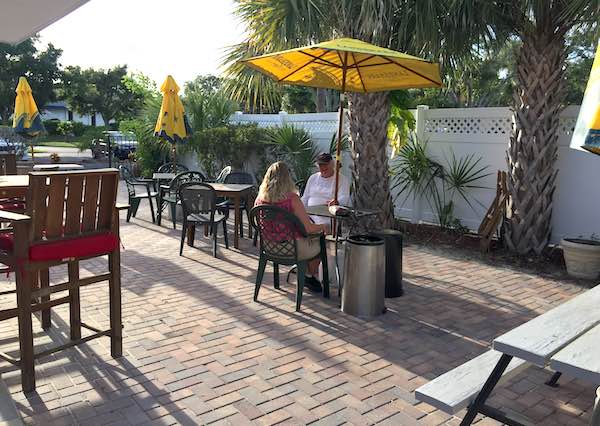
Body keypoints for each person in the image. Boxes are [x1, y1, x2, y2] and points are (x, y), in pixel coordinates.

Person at [255, 162, 327, 292]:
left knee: (308, 239)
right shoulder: (292, 199)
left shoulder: (260, 199)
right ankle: (309, 276)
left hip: (269, 247)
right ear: (287, 178)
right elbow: (309, 228)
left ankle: (307, 275)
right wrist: (324, 226)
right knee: (320, 241)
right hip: (292, 249)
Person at [301, 152, 351, 226]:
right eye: (321, 165)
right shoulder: (313, 178)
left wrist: (337, 202)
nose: (323, 168)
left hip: (329, 217)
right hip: (310, 216)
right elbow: (305, 197)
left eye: (325, 165)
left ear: (332, 164)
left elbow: (344, 197)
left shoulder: (342, 179)